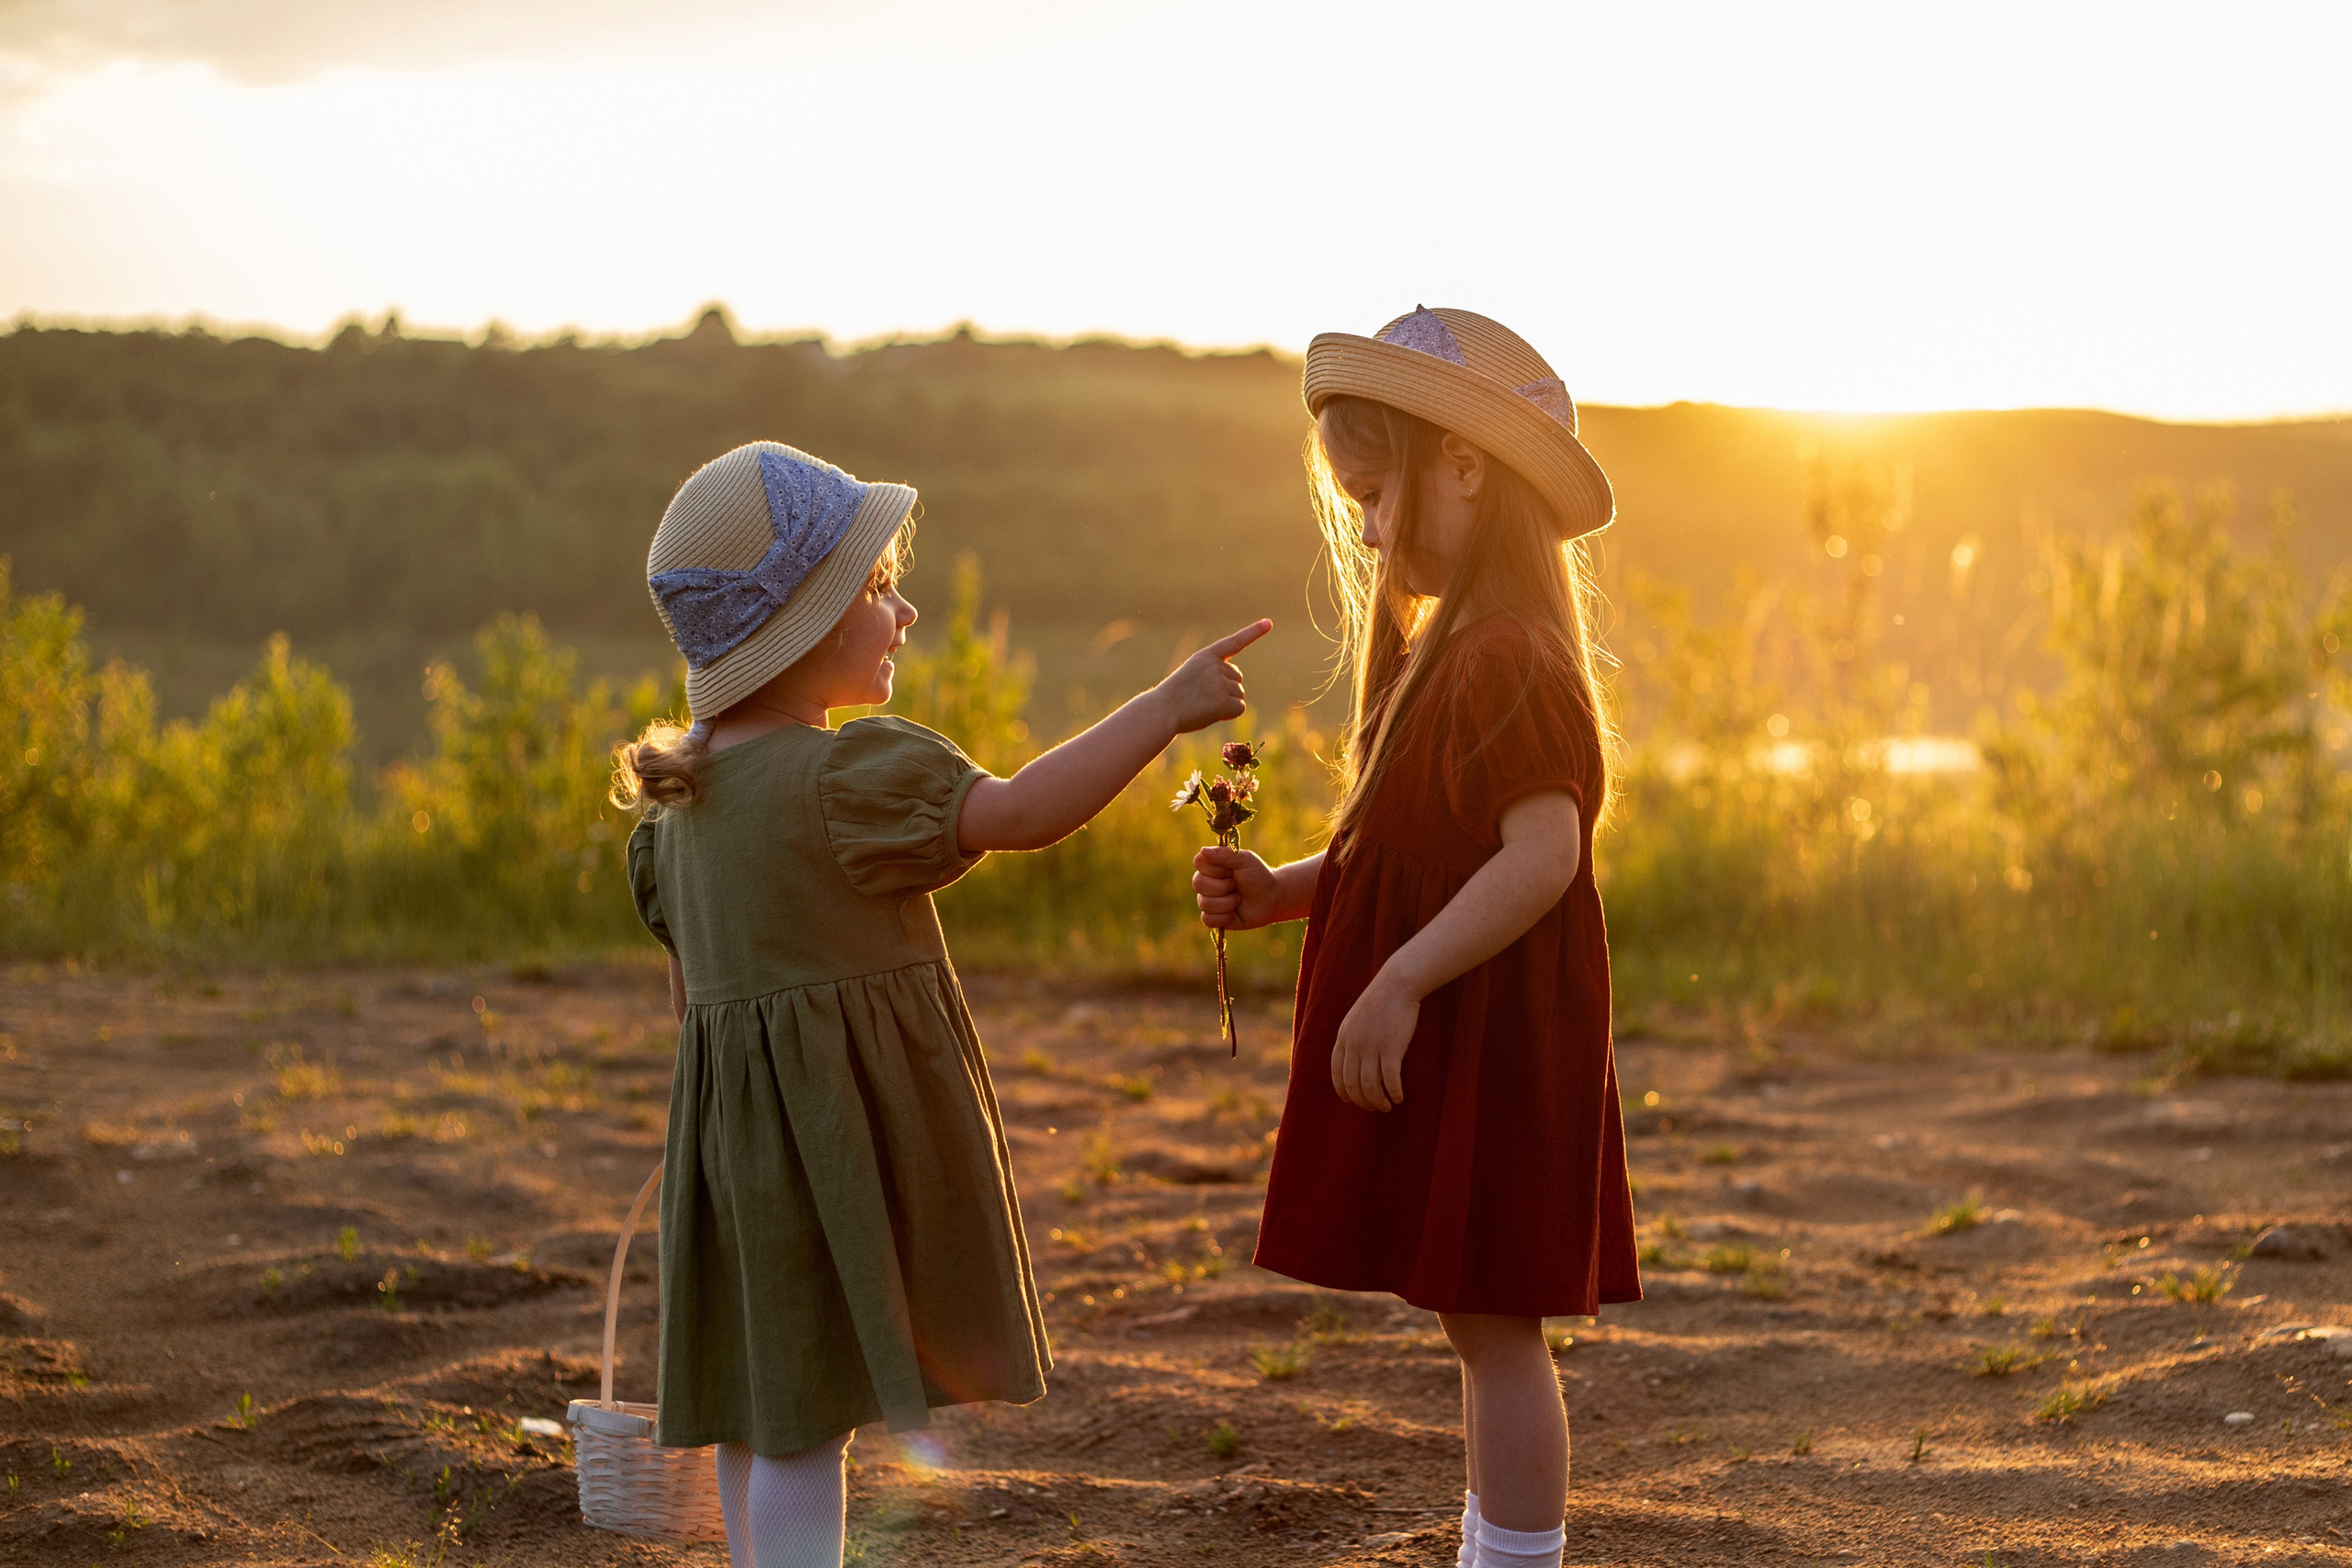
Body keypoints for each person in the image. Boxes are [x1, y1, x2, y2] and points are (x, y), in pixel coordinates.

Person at [612, 440, 1269, 1568]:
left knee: (767, 1402)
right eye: (877, 588)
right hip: (837, 1149)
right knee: (807, 1424)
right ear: (803, 626)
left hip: (737, 1159)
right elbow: (1020, 813)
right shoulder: (843, 778)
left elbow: (695, 1007)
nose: (906, 612)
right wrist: (1163, 708)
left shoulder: (677, 816)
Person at [1189, 309, 1639, 1568]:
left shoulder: (1508, 659)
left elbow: (1542, 856)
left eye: (1377, 496)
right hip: (1462, 1020)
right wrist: (1282, 890)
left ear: (1466, 469)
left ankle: (1515, 1559)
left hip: (1493, 1033)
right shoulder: (1445, 652)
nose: (1370, 533)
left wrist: (1395, 979)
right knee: (1472, 1316)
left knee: (1495, 1323)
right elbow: (1407, 850)